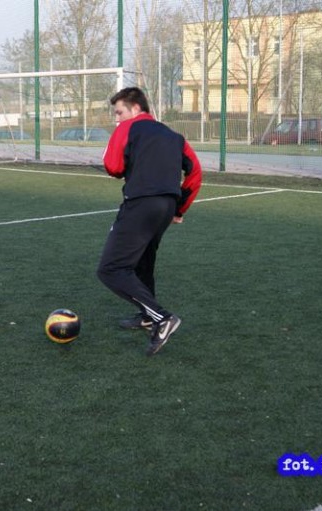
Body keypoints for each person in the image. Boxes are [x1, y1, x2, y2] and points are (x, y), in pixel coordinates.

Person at [97, 87, 202, 357]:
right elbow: (195, 172)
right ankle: (146, 316)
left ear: (135, 109)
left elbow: (113, 166)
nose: (117, 118)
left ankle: (161, 318)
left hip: (141, 203)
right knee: (142, 263)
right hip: (165, 207)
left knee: (111, 269)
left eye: (119, 112)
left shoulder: (128, 128)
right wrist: (179, 209)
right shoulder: (174, 136)